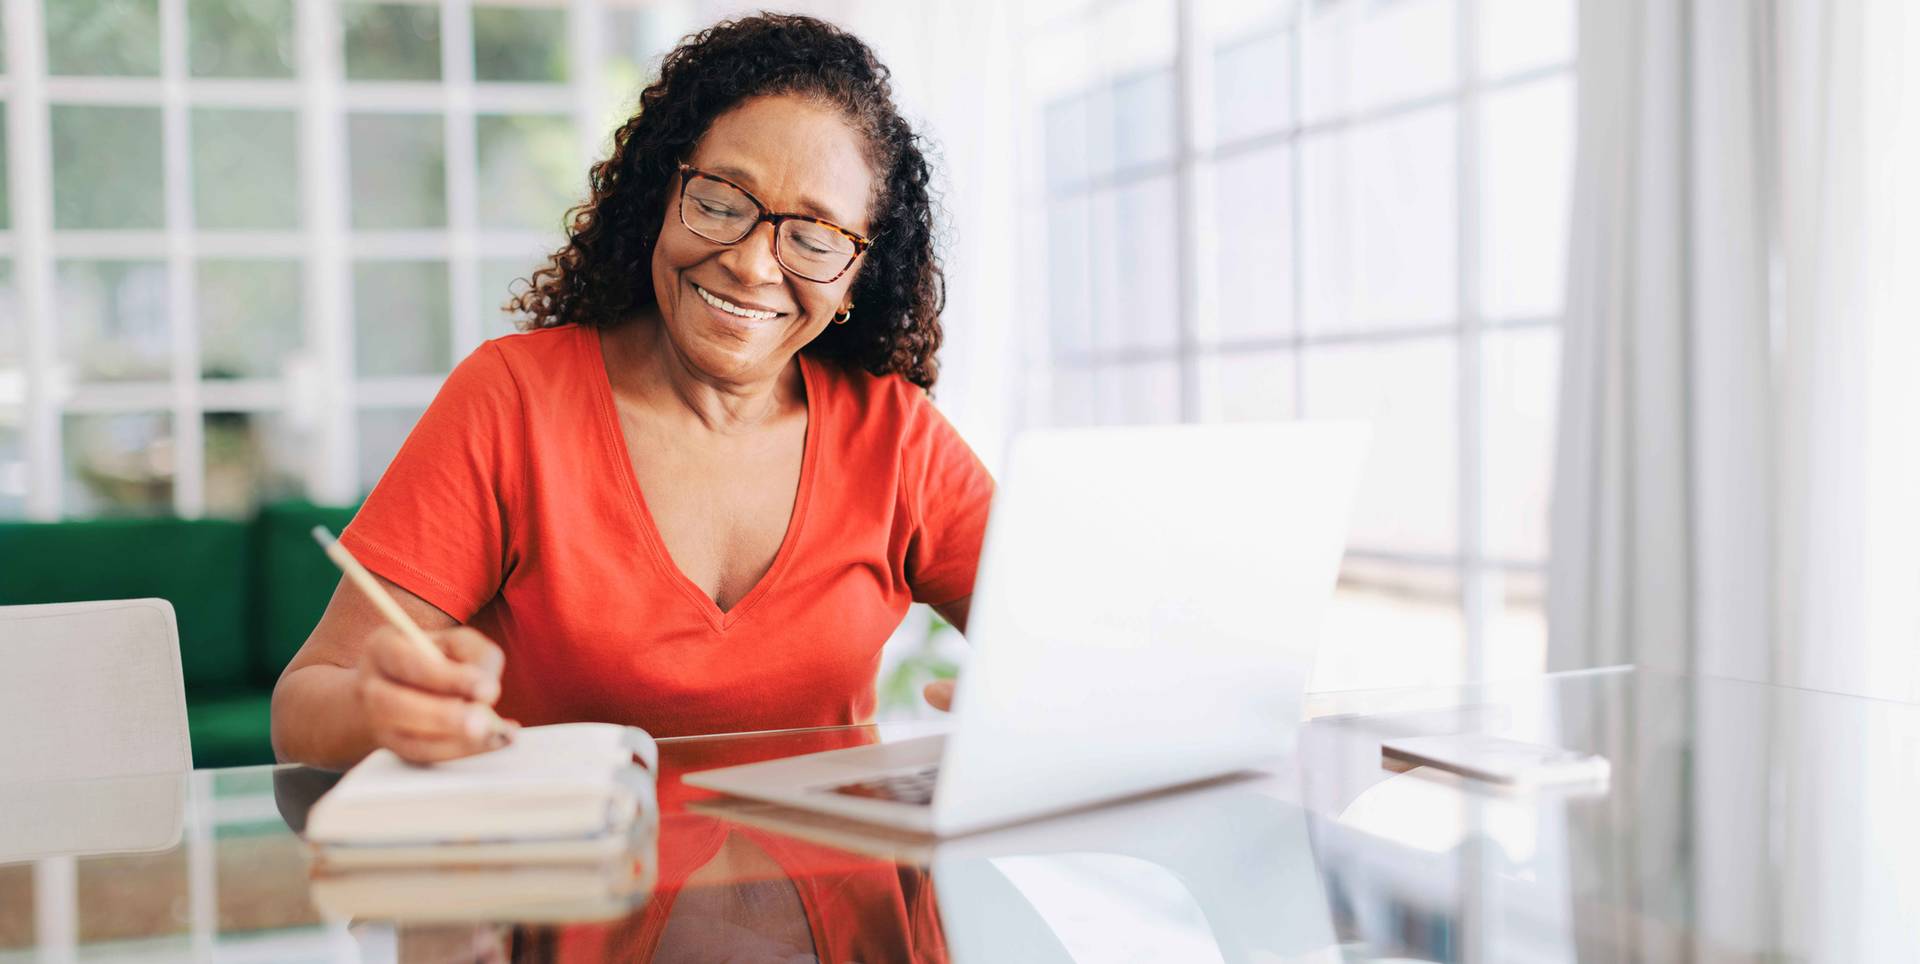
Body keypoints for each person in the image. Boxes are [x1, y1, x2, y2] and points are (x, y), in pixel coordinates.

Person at [271, 14, 991, 770]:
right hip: (577, 879)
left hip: (844, 885)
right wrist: (377, 710)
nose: (751, 264)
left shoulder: (897, 438)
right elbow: (305, 704)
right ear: (661, 195)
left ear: (854, 277)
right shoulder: (514, 401)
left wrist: (1031, 703)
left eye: (812, 239)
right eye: (719, 202)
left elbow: (1077, 653)